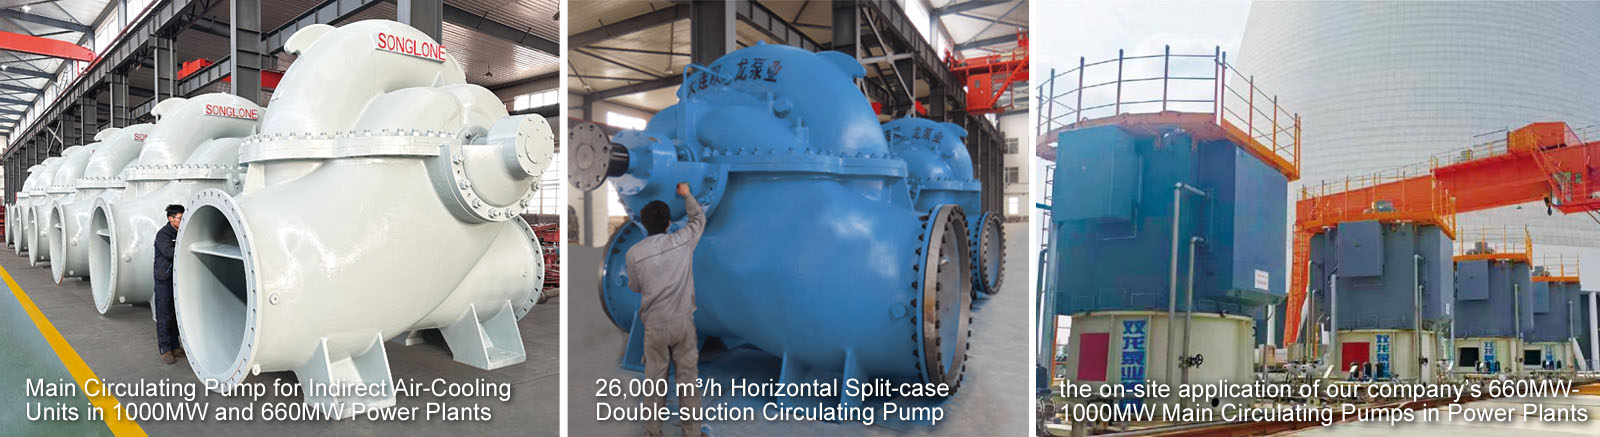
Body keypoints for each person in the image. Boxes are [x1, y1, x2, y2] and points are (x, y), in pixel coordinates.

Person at [625, 183, 708, 437]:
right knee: (688, 380)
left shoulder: (634, 254)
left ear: (644, 224)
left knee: (654, 383)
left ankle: (652, 432)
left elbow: (634, 287)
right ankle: (692, 433)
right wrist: (686, 195)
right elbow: (699, 219)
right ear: (669, 223)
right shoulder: (682, 242)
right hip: (682, 323)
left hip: (655, 326)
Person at [154, 204, 183, 365]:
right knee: (164, 314)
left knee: (176, 314)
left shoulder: (182, 232)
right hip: (164, 280)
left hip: (177, 279)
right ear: (171, 218)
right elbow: (169, 252)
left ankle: (175, 346)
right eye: (180, 218)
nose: (182, 220)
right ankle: (165, 349)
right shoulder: (163, 235)